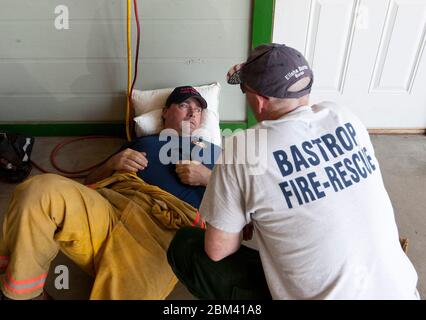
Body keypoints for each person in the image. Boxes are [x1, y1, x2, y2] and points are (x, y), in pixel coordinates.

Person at [167, 44, 420, 300]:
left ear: (259, 100)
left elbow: (218, 250)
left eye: (245, 90)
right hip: (402, 291)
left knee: (187, 246)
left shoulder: (242, 148)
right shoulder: (344, 117)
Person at [0, 86, 220, 300]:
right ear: (165, 112)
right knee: (38, 190)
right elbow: (89, 184)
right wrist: (111, 164)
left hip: (166, 231)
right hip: (109, 207)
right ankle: (18, 293)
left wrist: (206, 178)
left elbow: (242, 200)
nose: (192, 113)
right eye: (184, 105)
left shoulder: (214, 153)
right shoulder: (143, 142)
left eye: (199, 110)